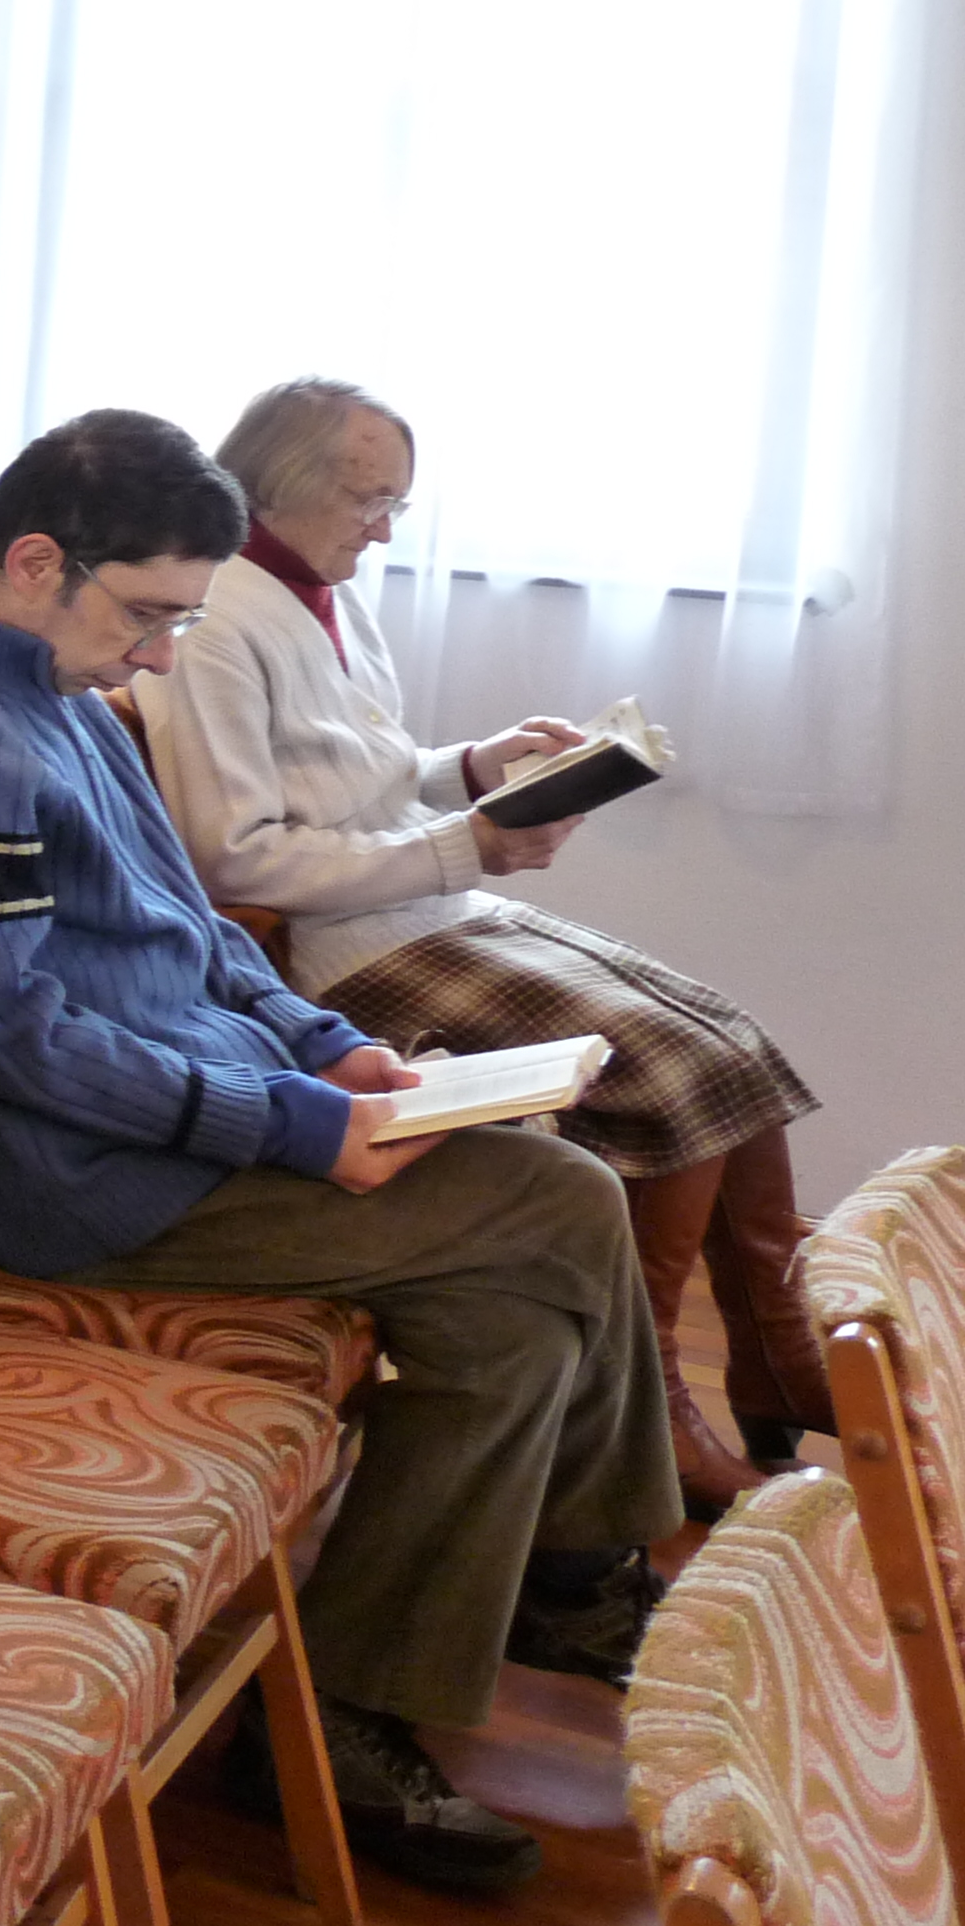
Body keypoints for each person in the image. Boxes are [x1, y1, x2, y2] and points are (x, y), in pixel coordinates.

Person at [0, 408, 679, 1900]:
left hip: (178, 1117)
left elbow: (191, 929)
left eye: (177, 624)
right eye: (144, 617)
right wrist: (298, 1124)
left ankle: (345, 1709)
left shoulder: (48, 678)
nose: (155, 658)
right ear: (35, 561)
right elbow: (1, 1038)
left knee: (510, 1326)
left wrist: (326, 1047)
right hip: (76, 1181)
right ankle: (572, 1584)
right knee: (564, 1202)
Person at [136, 378, 829, 1520]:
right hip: (342, 949)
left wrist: (471, 768)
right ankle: (660, 1403)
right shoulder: (215, 625)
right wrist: (469, 845)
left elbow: (358, 774)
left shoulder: (322, 591)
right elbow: (237, 861)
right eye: (368, 500)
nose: (384, 531)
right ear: (277, 488)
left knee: (730, 1039)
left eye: (397, 504)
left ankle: (778, 1356)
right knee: (670, 1070)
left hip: (428, 906)